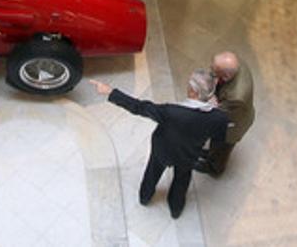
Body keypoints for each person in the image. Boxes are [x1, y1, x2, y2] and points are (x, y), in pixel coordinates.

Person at [90, 70, 229, 219]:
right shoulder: (220, 118)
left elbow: (139, 107)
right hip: (188, 155)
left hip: (162, 150)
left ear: (193, 92)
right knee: (182, 180)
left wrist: (110, 92)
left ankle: (145, 197)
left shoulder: (170, 112)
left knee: (152, 173)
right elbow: (218, 140)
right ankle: (176, 208)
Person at [196, 51, 255, 176]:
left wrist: (211, 103)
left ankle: (214, 168)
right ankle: (210, 153)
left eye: (214, 71)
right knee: (215, 143)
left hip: (233, 125)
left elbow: (218, 113)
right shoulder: (235, 63)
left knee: (221, 146)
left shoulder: (236, 97)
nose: (211, 71)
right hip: (233, 110)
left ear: (226, 76)